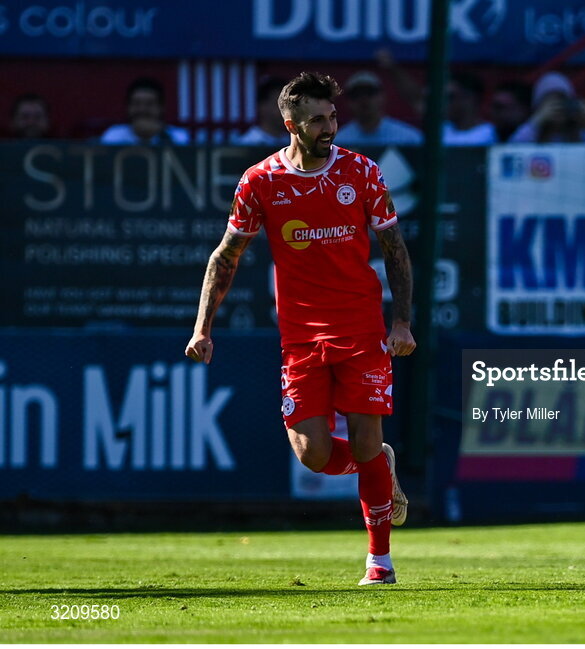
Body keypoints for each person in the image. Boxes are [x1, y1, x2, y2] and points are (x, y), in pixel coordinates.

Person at [185, 72, 416, 586]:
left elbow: (395, 250)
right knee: (312, 455)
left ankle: (380, 562)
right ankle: (380, 466)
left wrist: (400, 321)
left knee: (363, 441)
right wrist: (203, 327)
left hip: (361, 328)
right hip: (301, 335)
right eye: (317, 119)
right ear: (290, 124)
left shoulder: (362, 173)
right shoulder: (260, 181)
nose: (329, 126)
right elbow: (226, 257)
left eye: (333, 116)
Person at [509, 72, 585, 143]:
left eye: (562, 99)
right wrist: (536, 121)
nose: (557, 107)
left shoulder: (583, 133)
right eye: (551, 102)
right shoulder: (532, 134)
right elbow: (511, 149)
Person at [336, 71, 423, 146]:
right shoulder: (339, 142)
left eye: (370, 93)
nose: (364, 100)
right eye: (356, 95)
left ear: (382, 97)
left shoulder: (409, 138)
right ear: (348, 102)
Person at [100, 77, 190, 145]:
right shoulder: (114, 136)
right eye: (136, 103)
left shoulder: (178, 136)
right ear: (128, 107)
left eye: (149, 104)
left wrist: (161, 134)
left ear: (161, 107)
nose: (142, 109)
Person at [232, 77, 291, 146]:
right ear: (262, 106)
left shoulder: (290, 142)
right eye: (279, 105)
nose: (286, 110)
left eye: (288, 105)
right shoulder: (248, 143)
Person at [443, 71, 497, 146]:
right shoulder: (441, 131)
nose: (444, 104)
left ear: (470, 98)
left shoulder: (489, 133)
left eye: (451, 97)